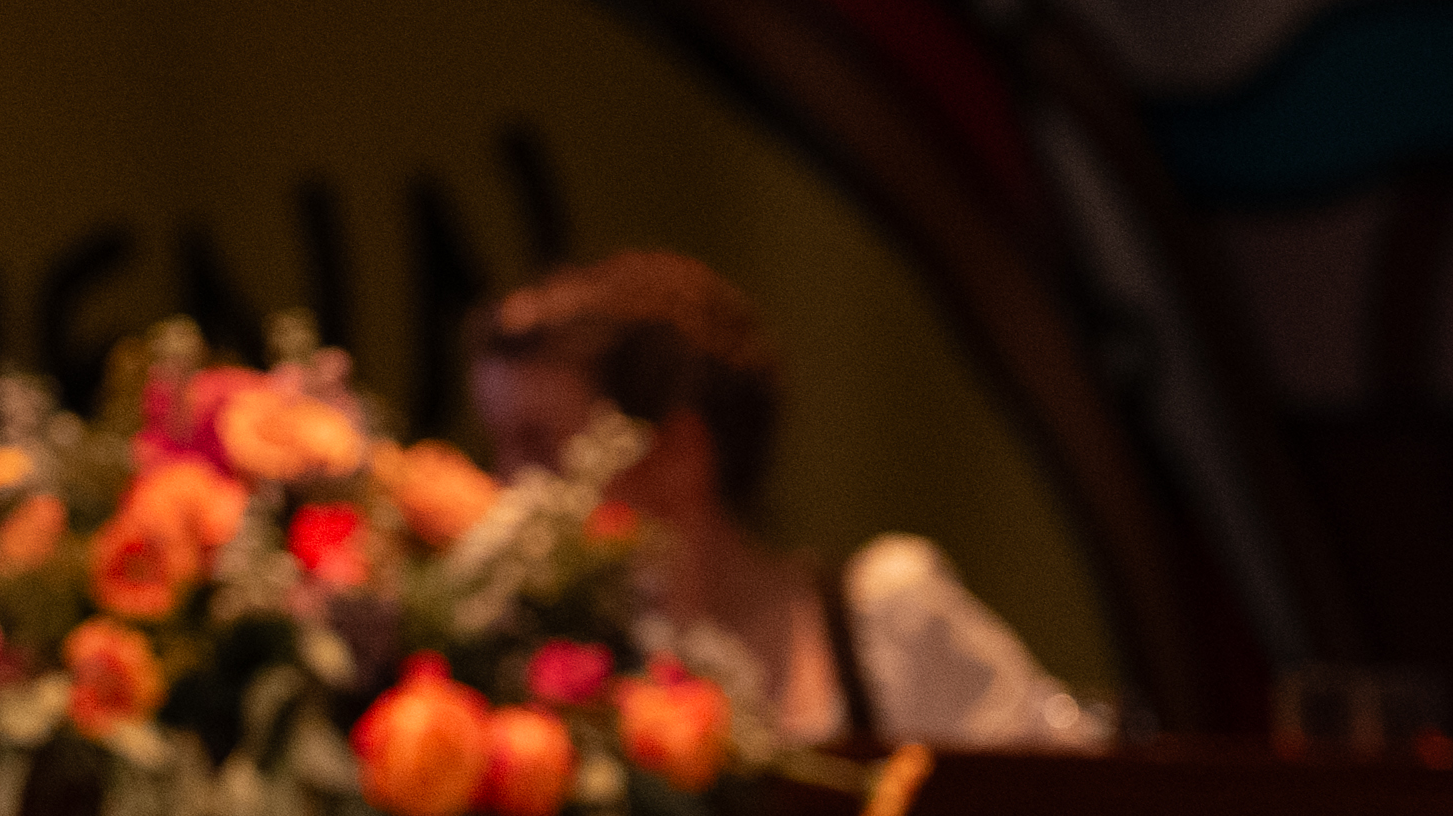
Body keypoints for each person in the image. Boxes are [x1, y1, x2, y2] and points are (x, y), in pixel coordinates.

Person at [464, 248, 1108, 751]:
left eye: (538, 446)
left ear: (682, 452)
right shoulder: (556, 676)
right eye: (499, 449)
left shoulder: (886, 618)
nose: (507, 488)